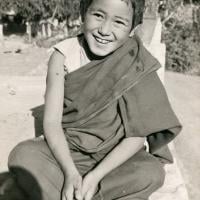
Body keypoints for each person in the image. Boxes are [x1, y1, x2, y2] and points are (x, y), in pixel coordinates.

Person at [8, 0, 182, 200]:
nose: (104, 30)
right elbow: (51, 122)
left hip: (116, 159)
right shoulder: (63, 56)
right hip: (69, 151)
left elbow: (137, 136)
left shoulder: (135, 61)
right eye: (98, 16)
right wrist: (70, 173)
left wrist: (94, 177)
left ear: (133, 28)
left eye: (119, 22)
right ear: (83, 13)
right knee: (22, 156)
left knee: (151, 172)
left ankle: (80, 193)